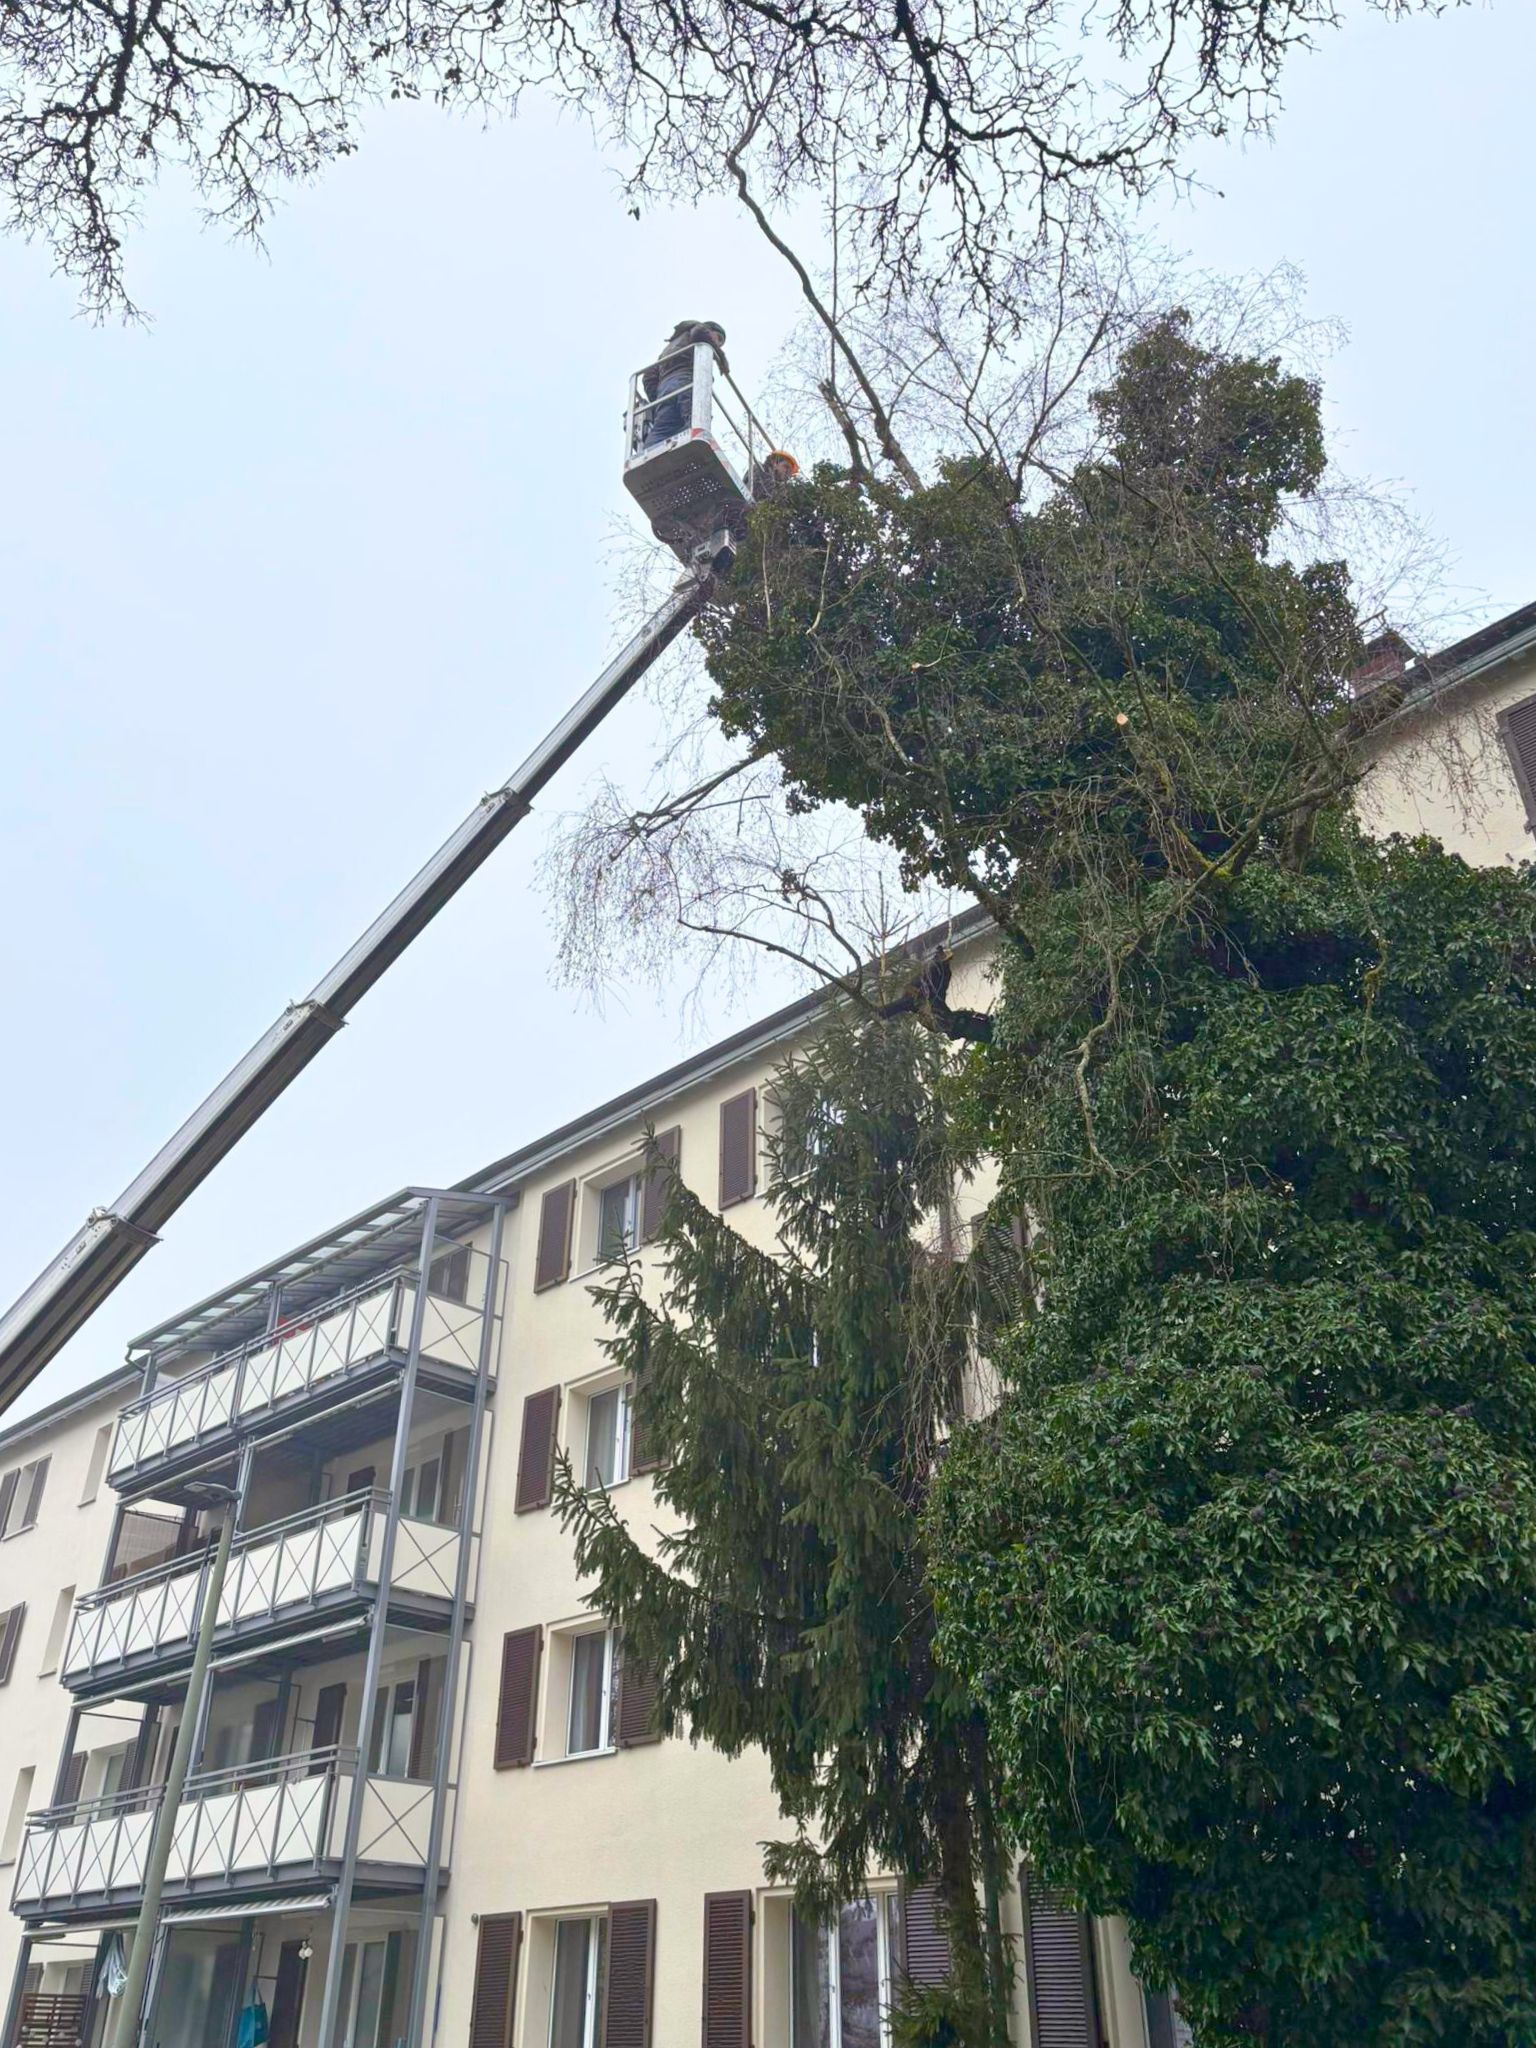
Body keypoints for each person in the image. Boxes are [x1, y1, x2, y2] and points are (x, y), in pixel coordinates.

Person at [642, 320, 728, 446]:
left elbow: (648, 376)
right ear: (709, 330)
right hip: (686, 381)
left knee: (662, 430)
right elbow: (700, 333)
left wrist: (657, 400)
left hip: (664, 390)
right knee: (696, 418)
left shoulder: (668, 349)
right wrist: (721, 357)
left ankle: (648, 456)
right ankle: (694, 449)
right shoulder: (699, 329)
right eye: (719, 338)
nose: (718, 344)